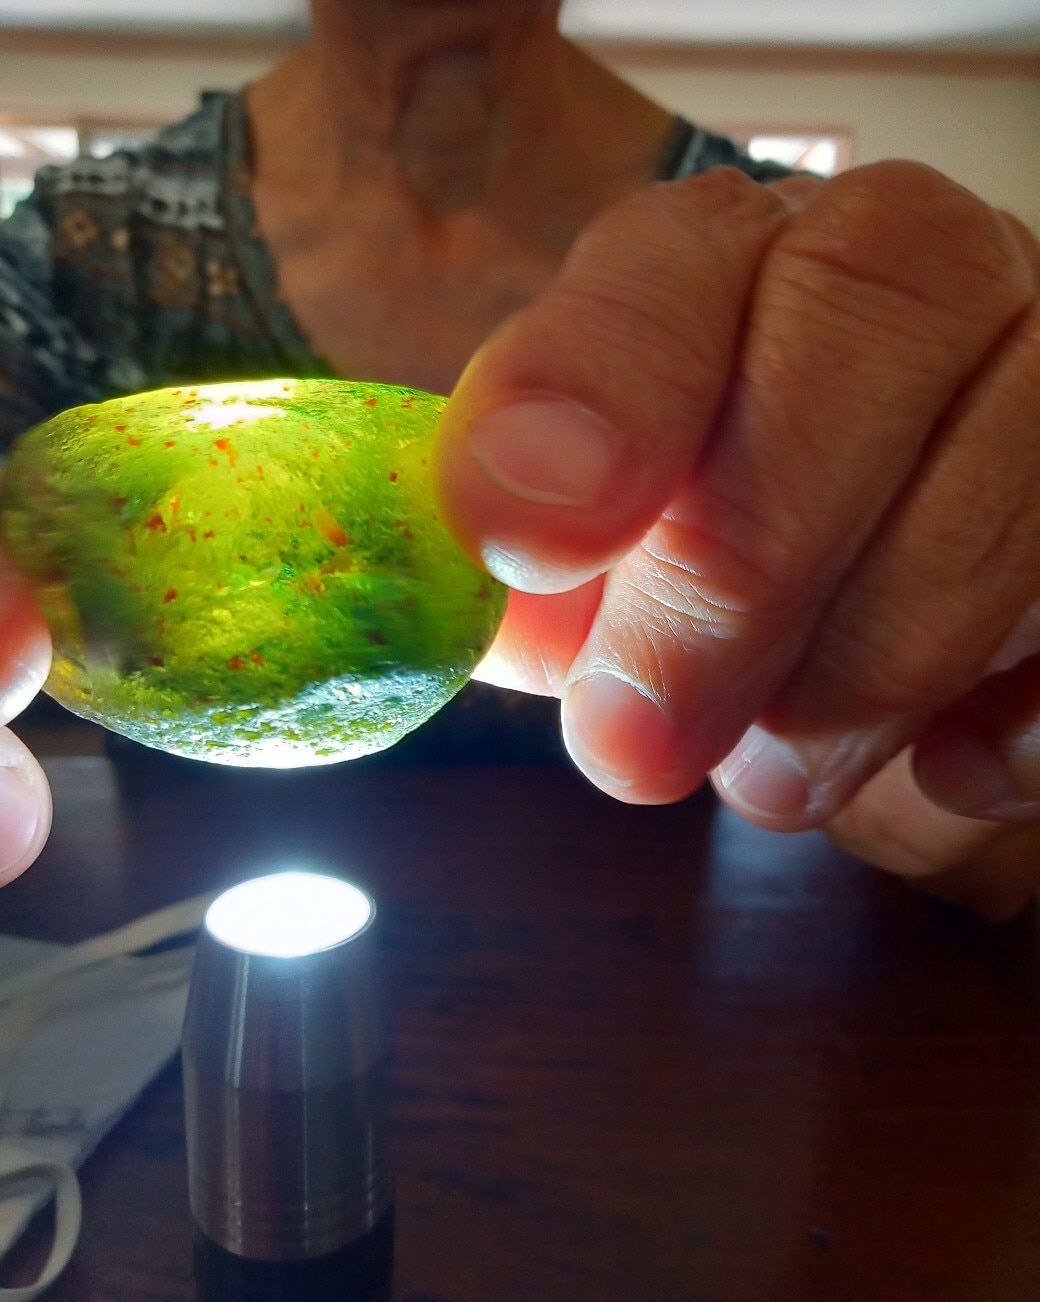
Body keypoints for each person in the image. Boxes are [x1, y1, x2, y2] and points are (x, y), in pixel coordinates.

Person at [0, 0, 1037, 917]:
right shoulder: (77, 252)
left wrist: (975, 748)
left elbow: (987, 845)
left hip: (650, 1008)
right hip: (160, 983)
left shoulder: (790, 289)